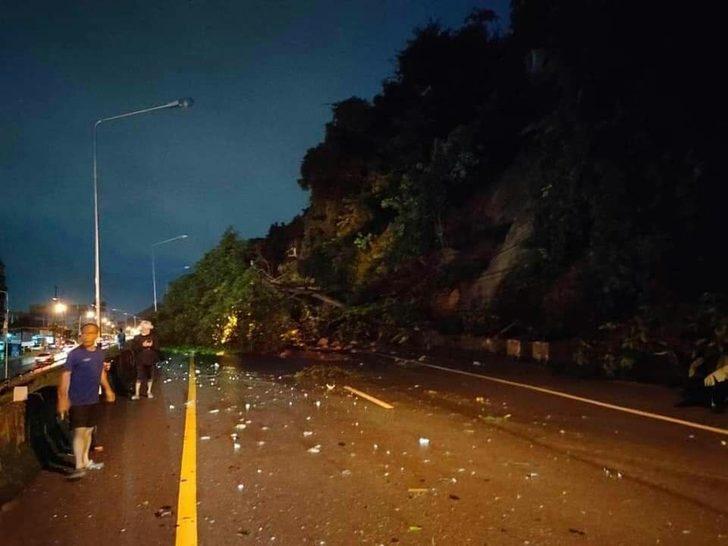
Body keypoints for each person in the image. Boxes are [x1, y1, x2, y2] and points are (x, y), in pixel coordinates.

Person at [57, 322, 115, 480]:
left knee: (89, 431)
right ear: (80, 335)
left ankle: (86, 461)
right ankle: (78, 466)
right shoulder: (74, 355)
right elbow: (65, 377)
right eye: (84, 333)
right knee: (79, 432)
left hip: (93, 399)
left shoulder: (99, 354)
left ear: (96, 335)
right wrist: (63, 399)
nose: (87, 336)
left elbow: (101, 373)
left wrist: (108, 389)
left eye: (91, 333)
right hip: (77, 400)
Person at [131, 320, 159, 400]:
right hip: (140, 360)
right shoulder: (137, 338)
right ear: (142, 328)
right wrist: (142, 345)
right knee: (139, 377)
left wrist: (152, 345)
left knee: (150, 376)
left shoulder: (154, 337)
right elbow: (133, 348)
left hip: (151, 359)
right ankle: (137, 394)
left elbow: (157, 348)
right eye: (146, 328)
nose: (148, 330)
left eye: (149, 328)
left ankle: (149, 392)